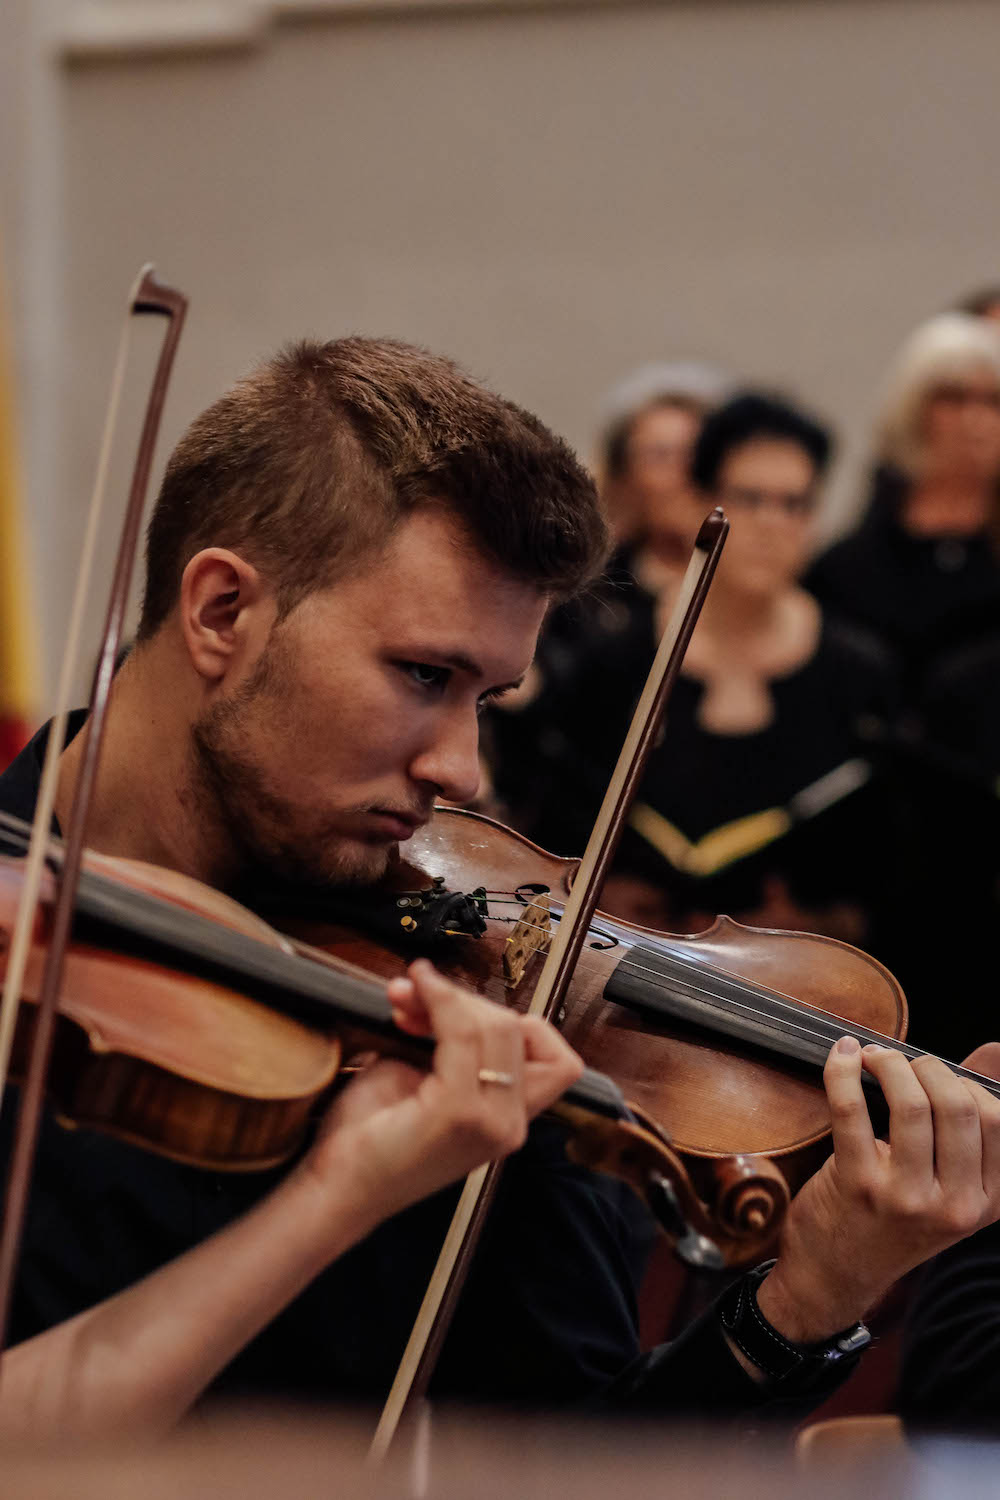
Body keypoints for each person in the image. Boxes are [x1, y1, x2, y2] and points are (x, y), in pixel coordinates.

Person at [2, 337, 1000, 1443]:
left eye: (489, 697)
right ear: (223, 612)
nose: (461, 771)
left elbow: (570, 1465)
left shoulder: (480, 1004)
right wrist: (331, 1201)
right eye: (424, 677)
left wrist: (809, 1298)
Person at [805, 313, 1000, 706]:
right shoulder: (844, 568)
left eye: (993, 401)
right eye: (953, 397)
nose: (974, 419)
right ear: (912, 408)